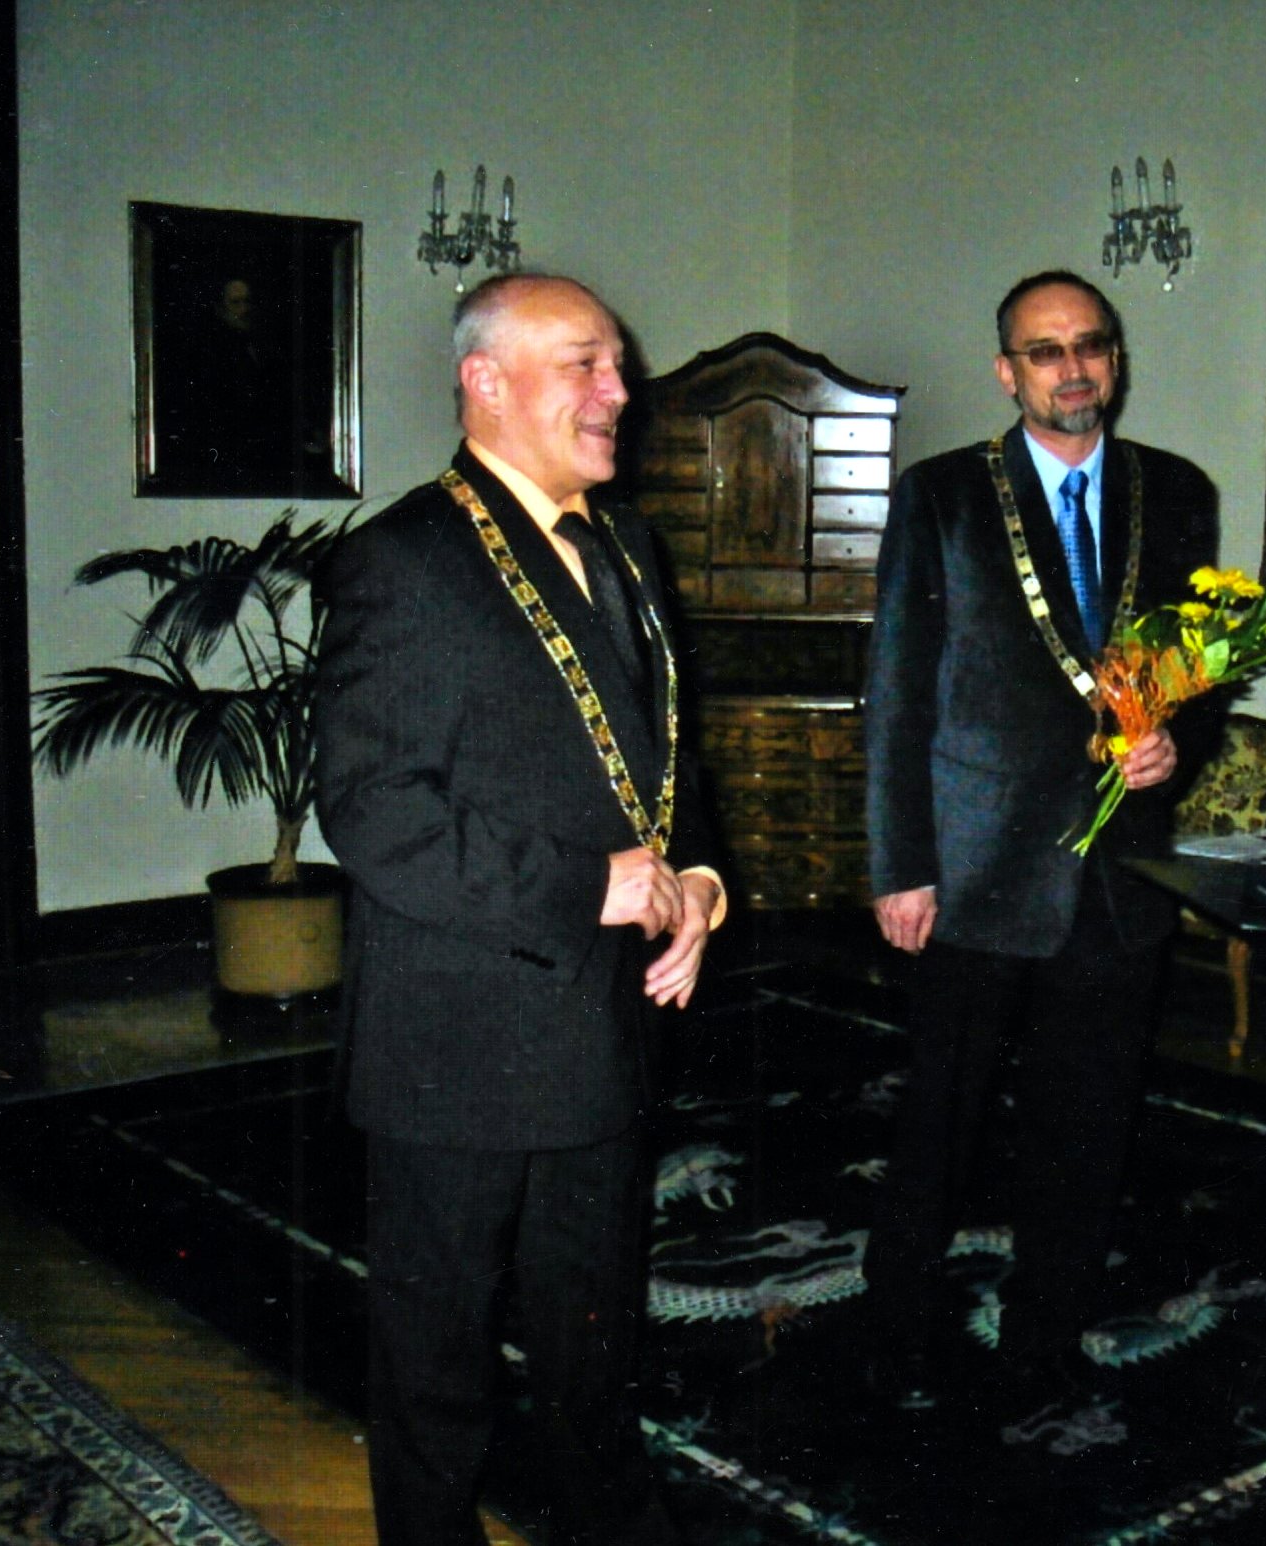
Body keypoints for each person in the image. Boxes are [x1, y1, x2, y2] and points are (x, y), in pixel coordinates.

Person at [315, 273, 723, 1546]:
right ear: (484, 383)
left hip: (603, 1028)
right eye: (584, 364)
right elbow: (373, 809)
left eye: (617, 365)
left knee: (594, 1342)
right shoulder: (405, 559)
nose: (619, 392)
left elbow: (665, 756)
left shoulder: (629, 543)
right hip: (461, 1037)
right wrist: (585, 885)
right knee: (437, 1366)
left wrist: (701, 883)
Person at [864, 269, 1218, 1416]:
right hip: (975, 869)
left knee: (1087, 1125)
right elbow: (899, 692)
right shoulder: (944, 496)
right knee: (942, 1119)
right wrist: (902, 864)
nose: (1074, 368)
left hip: (1118, 873)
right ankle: (895, 1333)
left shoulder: (1178, 493)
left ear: (1116, 359)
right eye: (1046, 350)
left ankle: (1044, 1341)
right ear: (1006, 371)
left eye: (1092, 345)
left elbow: (1191, 669)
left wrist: (1176, 740)